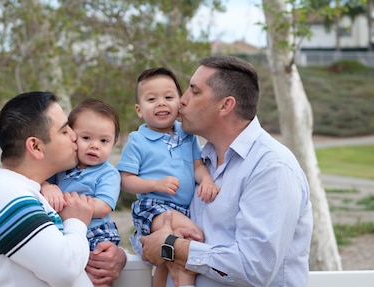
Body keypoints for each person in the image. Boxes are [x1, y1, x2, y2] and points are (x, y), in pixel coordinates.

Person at [137, 56, 314, 287]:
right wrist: (133, 248)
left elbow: (255, 268)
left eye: (195, 91)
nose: (182, 100)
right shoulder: (197, 161)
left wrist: (173, 247)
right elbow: (153, 221)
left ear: (225, 105)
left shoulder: (272, 168)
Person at [0, 91, 126, 287]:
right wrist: (76, 220)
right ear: (35, 146)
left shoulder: (27, 190)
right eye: (64, 130)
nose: (73, 135)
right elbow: (65, 270)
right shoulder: (5, 195)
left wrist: (117, 256)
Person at [117, 67, 220, 287]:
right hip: (152, 206)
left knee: (166, 262)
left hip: (182, 210)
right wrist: (155, 184)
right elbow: (125, 179)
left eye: (169, 97)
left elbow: (197, 165)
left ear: (179, 103)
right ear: (139, 109)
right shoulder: (138, 140)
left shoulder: (187, 134)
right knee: (194, 237)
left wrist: (207, 180)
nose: (161, 103)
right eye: (152, 99)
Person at [41, 98, 121, 255]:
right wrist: (47, 186)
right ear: (71, 135)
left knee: (98, 261)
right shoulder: (62, 167)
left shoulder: (108, 173)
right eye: (86, 138)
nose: (95, 145)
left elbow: (104, 206)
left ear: (114, 143)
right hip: (63, 229)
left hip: (95, 230)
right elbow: (40, 180)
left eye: (104, 140)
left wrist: (68, 203)